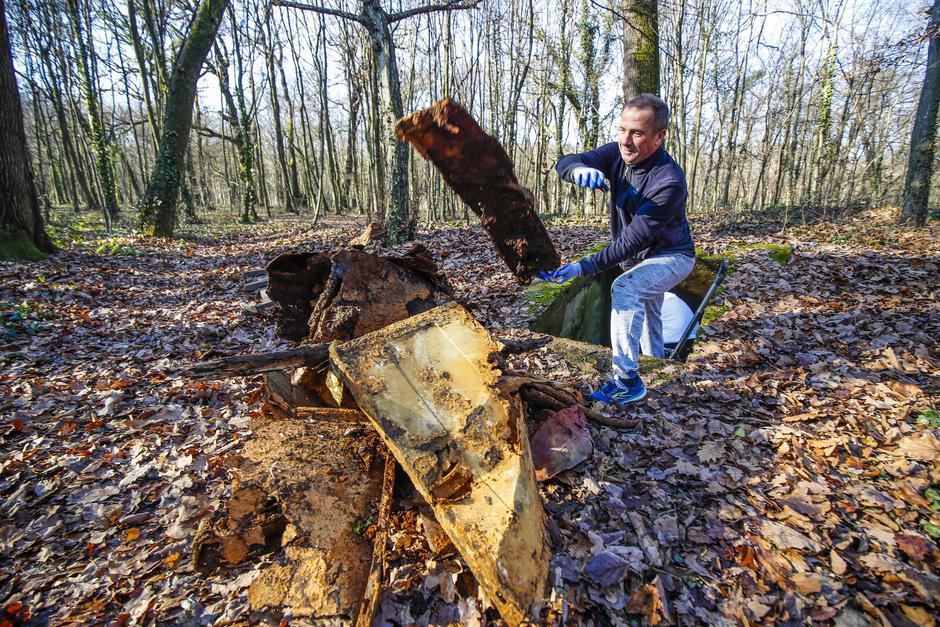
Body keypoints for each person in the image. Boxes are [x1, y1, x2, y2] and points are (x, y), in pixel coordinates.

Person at [543, 93, 695, 404]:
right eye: (622, 129)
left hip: (672, 257)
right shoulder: (616, 154)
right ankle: (658, 369)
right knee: (651, 315)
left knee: (626, 288)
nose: (626, 141)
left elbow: (631, 242)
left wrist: (582, 267)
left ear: (659, 136)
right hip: (641, 259)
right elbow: (565, 161)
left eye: (637, 133)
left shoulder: (668, 181)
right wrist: (576, 171)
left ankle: (627, 380)